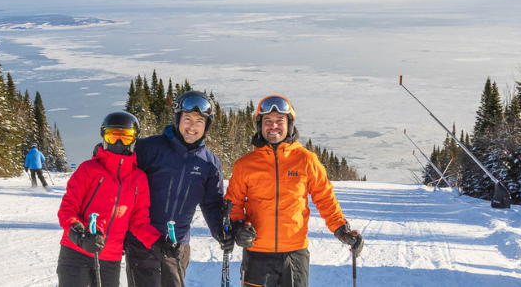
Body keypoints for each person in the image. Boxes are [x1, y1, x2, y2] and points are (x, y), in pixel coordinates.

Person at [224, 95, 364, 287]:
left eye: (280, 121)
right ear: (260, 125)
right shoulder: (245, 165)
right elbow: (234, 203)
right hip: (257, 253)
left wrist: (341, 229)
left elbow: (325, 197)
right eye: (268, 121)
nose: (274, 126)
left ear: (289, 124)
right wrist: (238, 226)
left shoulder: (306, 160)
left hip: (295, 254)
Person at [124, 91, 229, 287]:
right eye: (187, 119)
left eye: (199, 121)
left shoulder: (209, 163)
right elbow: (119, 171)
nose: (192, 126)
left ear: (207, 125)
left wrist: (221, 233)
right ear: (177, 119)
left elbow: (212, 203)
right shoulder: (149, 148)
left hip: (177, 244)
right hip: (142, 242)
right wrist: (105, 150)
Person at [56, 112, 162, 287]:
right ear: (104, 137)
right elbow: (68, 208)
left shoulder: (139, 179)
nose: (119, 142)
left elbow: (139, 221)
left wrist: (159, 242)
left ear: (134, 139)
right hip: (76, 251)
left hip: (109, 258)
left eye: (126, 137)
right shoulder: (88, 170)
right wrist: (79, 234)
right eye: (113, 136)